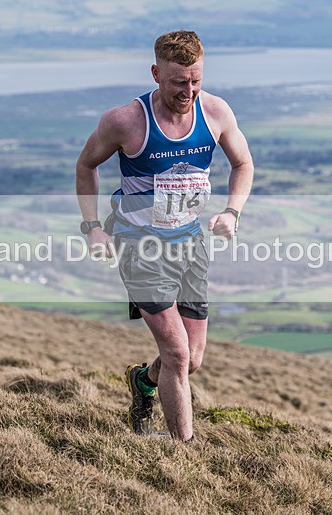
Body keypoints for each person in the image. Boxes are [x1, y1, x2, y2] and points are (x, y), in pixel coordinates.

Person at [75, 30, 254, 442]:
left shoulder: (214, 112)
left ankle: (143, 380)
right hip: (139, 245)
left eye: (195, 80)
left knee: (192, 359)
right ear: (156, 73)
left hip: (190, 242)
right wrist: (93, 227)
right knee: (176, 352)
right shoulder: (125, 121)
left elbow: (243, 163)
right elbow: (86, 165)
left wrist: (232, 212)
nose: (187, 91)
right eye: (178, 82)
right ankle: (184, 455)